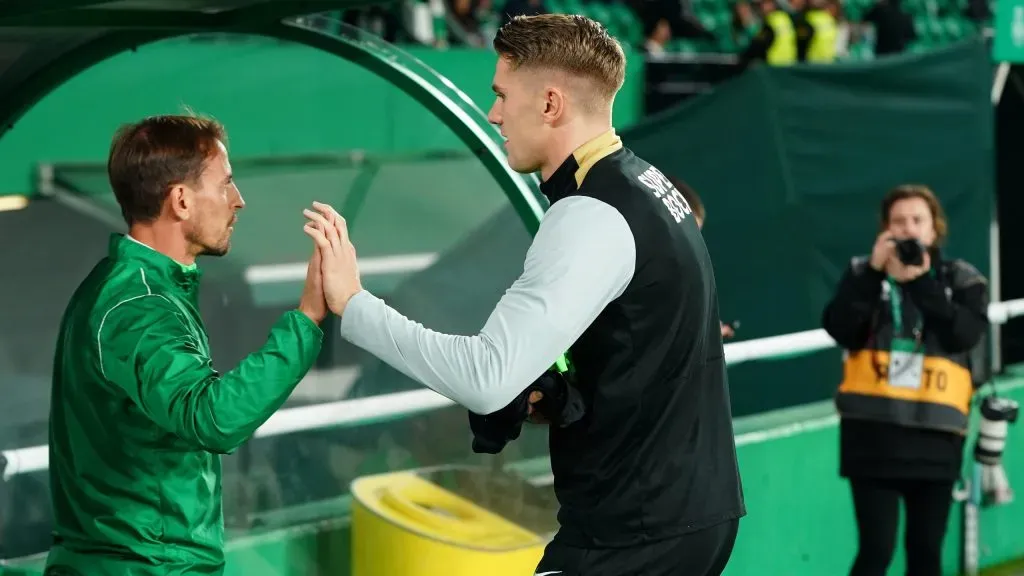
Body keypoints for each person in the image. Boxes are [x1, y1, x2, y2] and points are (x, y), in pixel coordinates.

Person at [302, 13, 745, 576]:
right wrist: (556, 396)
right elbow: (639, 355)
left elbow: (487, 379)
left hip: (633, 533)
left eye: (501, 95)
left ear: (551, 104)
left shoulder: (594, 213)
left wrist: (354, 305)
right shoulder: (648, 188)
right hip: (679, 516)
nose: (493, 114)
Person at [45, 115, 327, 576]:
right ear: (180, 199)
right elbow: (212, 417)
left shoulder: (132, 289)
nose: (239, 201)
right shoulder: (139, 308)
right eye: (226, 184)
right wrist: (308, 318)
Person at [821, 185, 989, 576]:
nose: (908, 229)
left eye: (918, 220)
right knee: (876, 550)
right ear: (885, 229)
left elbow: (963, 335)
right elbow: (841, 328)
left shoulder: (962, 278)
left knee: (925, 551)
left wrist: (919, 281)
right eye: (899, 221)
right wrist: (874, 274)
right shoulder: (863, 273)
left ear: (935, 230)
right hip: (872, 436)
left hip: (937, 436)